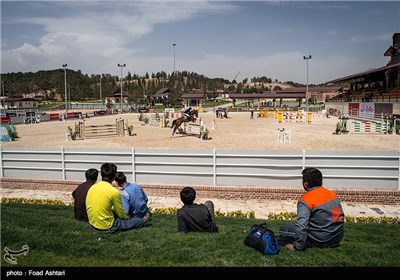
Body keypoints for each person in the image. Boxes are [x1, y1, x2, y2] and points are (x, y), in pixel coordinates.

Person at [278, 167, 345, 251]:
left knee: (284, 229)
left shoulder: (306, 199)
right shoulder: (332, 195)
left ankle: (303, 243)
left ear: (305, 184)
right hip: (336, 239)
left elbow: (301, 226)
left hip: (320, 241)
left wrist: (297, 246)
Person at [85, 163, 148, 233]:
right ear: (114, 177)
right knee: (137, 221)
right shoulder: (114, 192)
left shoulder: (92, 187)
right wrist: (128, 218)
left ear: (101, 174)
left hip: (93, 224)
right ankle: (142, 220)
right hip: (107, 227)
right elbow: (121, 215)